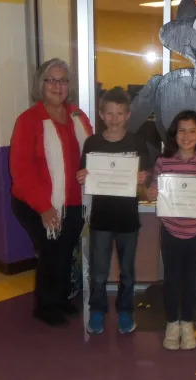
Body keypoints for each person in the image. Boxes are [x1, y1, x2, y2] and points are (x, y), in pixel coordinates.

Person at [10, 58, 93, 327]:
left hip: (73, 201)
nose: (58, 86)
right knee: (50, 251)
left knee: (66, 250)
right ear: (41, 84)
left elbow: (91, 154)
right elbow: (20, 171)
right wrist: (44, 207)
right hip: (37, 203)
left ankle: (59, 299)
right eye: (51, 80)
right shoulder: (29, 120)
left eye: (63, 80)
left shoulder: (78, 116)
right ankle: (45, 306)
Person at [146, 110, 196, 351]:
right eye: (181, 130)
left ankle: (187, 323)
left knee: (191, 279)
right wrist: (149, 193)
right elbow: (152, 191)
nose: (186, 135)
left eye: (192, 130)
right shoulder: (163, 162)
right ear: (174, 134)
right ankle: (172, 323)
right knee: (171, 279)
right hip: (170, 230)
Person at [76, 87, 149, 335]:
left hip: (128, 219)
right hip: (101, 220)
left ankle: (126, 311)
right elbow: (83, 174)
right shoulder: (93, 142)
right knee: (98, 272)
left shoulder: (137, 142)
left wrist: (142, 179)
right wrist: (81, 176)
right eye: (109, 113)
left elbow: (145, 178)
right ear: (101, 114)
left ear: (128, 115)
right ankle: (97, 310)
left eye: (119, 113)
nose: (114, 118)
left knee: (127, 272)